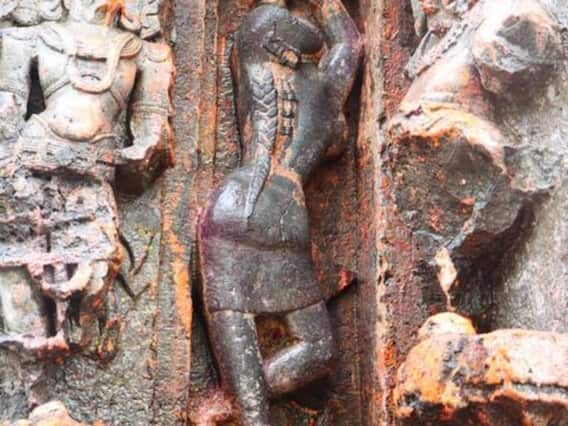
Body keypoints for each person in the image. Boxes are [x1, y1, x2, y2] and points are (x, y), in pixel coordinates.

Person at [198, 0, 361, 424]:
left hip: (235, 208)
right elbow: (346, 43)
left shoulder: (263, 57)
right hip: (277, 214)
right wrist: (327, 7)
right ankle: (239, 400)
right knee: (317, 351)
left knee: (259, 398)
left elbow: (336, 43)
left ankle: (238, 399)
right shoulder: (320, 85)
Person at [0, 0, 173, 356]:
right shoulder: (28, 38)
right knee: (20, 281)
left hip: (92, 180)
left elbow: (152, 128)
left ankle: (71, 337)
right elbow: (7, 113)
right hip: (29, 172)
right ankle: (29, 363)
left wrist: (143, 149)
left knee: (94, 277)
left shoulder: (148, 54)